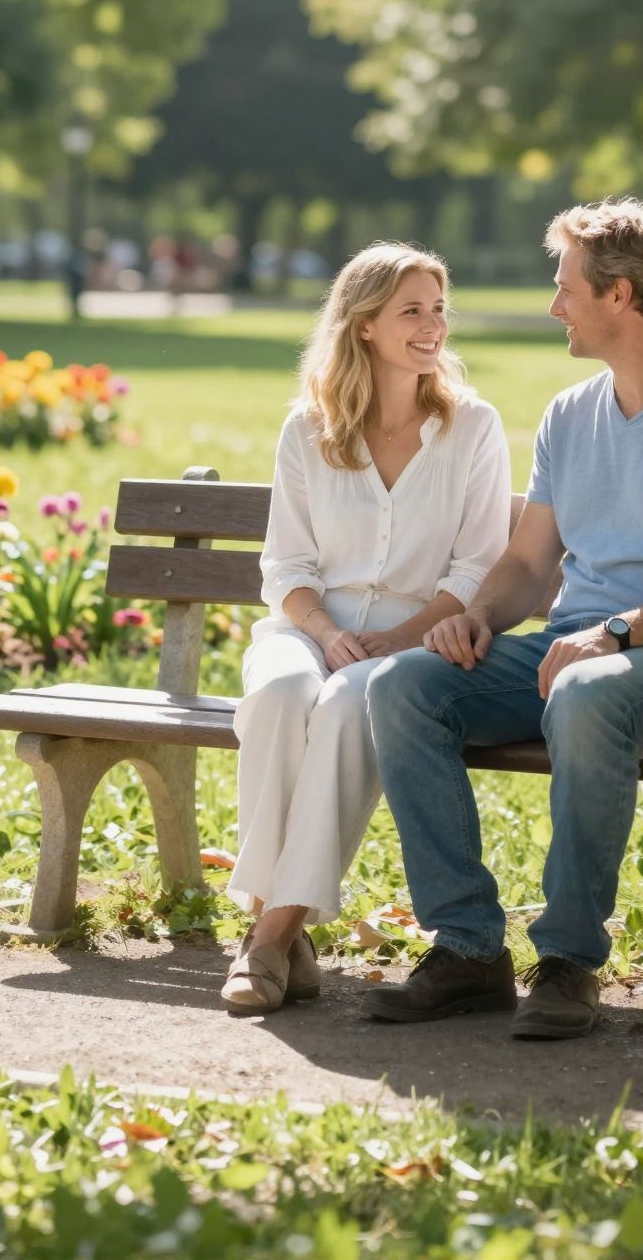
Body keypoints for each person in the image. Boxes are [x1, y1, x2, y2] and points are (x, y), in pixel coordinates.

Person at [365, 197, 643, 1040]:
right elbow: (528, 564)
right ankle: (467, 946)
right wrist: (478, 616)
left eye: (566, 289)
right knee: (404, 685)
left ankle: (567, 962)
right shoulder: (569, 413)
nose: (554, 306)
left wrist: (614, 634)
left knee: (589, 692)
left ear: (620, 296)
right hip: (572, 654)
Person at [222, 241, 512, 1015]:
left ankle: (270, 936)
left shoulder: (472, 427)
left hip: (415, 642)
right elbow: (285, 568)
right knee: (283, 691)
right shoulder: (307, 430)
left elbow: (479, 567)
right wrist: (321, 632)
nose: (432, 326)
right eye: (411, 311)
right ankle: (280, 931)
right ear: (363, 328)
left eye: (438, 309)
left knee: (353, 703)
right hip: (309, 631)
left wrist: (398, 638)